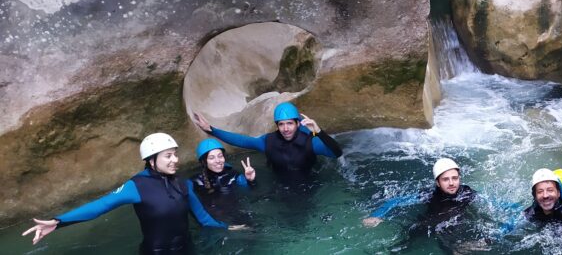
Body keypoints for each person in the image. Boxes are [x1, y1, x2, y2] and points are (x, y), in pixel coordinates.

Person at [21, 133, 242, 254]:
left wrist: (230, 228)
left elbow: (203, 219)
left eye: (175, 154)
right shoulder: (137, 186)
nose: (175, 160)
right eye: (168, 156)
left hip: (187, 249)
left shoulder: (184, 184)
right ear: (152, 160)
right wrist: (59, 222)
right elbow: (100, 206)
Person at [192, 102, 343, 181]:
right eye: (281, 124)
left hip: (310, 181)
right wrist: (211, 129)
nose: (285, 128)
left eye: (290, 123)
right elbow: (243, 141)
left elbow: (337, 153)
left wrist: (319, 131)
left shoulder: (311, 141)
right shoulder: (269, 141)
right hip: (280, 183)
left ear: (298, 124)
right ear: (277, 125)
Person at [362, 158, 478, 228]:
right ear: (437, 182)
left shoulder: (467, 192)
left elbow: (490, 200)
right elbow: (394, 201)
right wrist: (375, 216)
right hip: (432, 221)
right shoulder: (429, 195)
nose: (452, 183)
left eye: (455, 178)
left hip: (459, 220)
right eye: (445, 179)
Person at [501, 168, 562, 245]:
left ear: (558, 193)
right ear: (535, 196)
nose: (545, 195)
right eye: (540, 192)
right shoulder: (533, 212)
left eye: (550, 190)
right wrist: (490, 239)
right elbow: (510, 226)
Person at [191, 138, 256, 224]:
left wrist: (251, 181)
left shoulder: (233, 174)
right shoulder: (196, 181)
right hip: (214, 220)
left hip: (237, 213)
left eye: (220, 156)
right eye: (211, 158)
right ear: (204, 161)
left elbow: (250, 192)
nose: (218, 161)